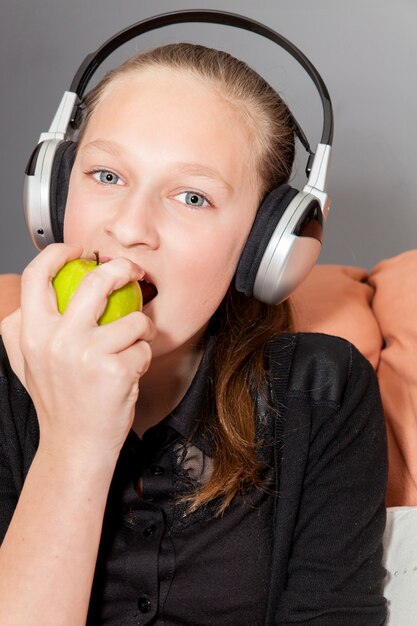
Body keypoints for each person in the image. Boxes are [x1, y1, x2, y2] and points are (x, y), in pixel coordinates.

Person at [0, 42, 387, 625]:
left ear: (265, 247)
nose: (129, 228)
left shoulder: (321, 393)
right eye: (107, 175)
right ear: (53, 195)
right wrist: (73, 443)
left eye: (192, 197)